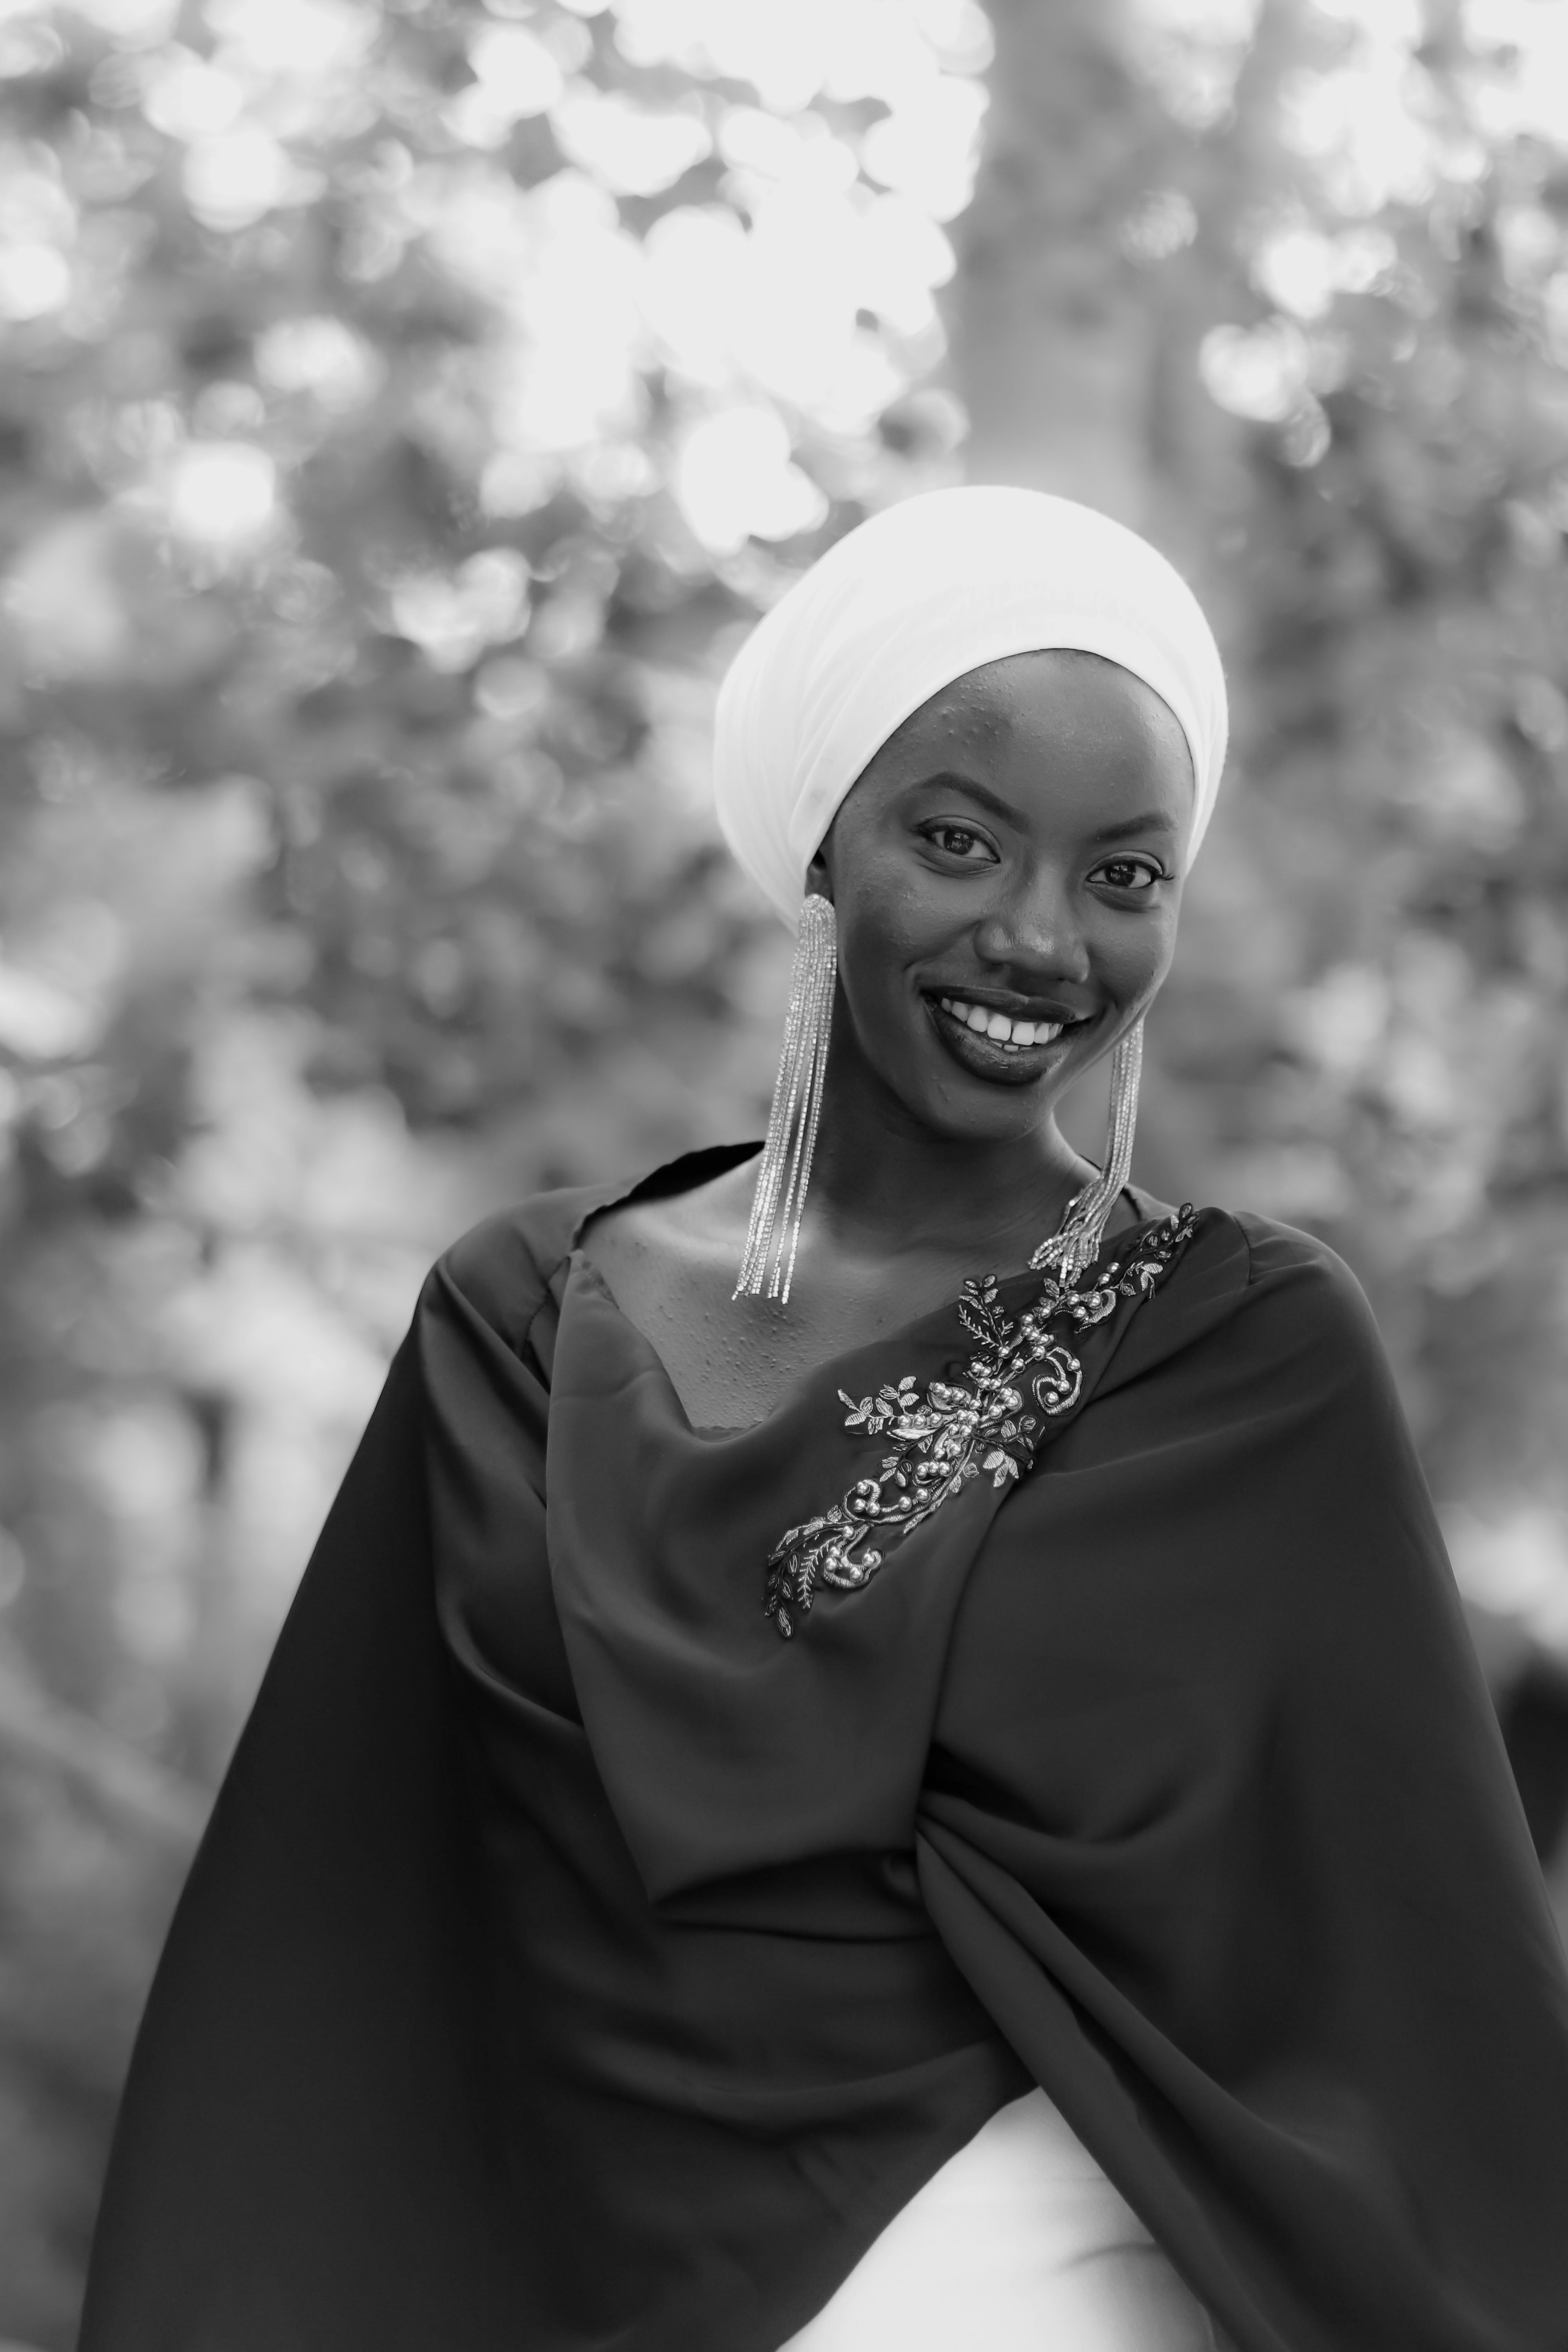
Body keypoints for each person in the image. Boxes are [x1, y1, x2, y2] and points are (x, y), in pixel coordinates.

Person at [80, 490, 1568, 2352]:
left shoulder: (1240, 1355)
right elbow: (342, 1914)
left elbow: (1411, 1979)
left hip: (1045, 2257)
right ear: (823, 847)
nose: (1041, 938)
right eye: (958, 839)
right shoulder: (518, 1324)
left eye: (1126, 874)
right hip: (547, 2268)